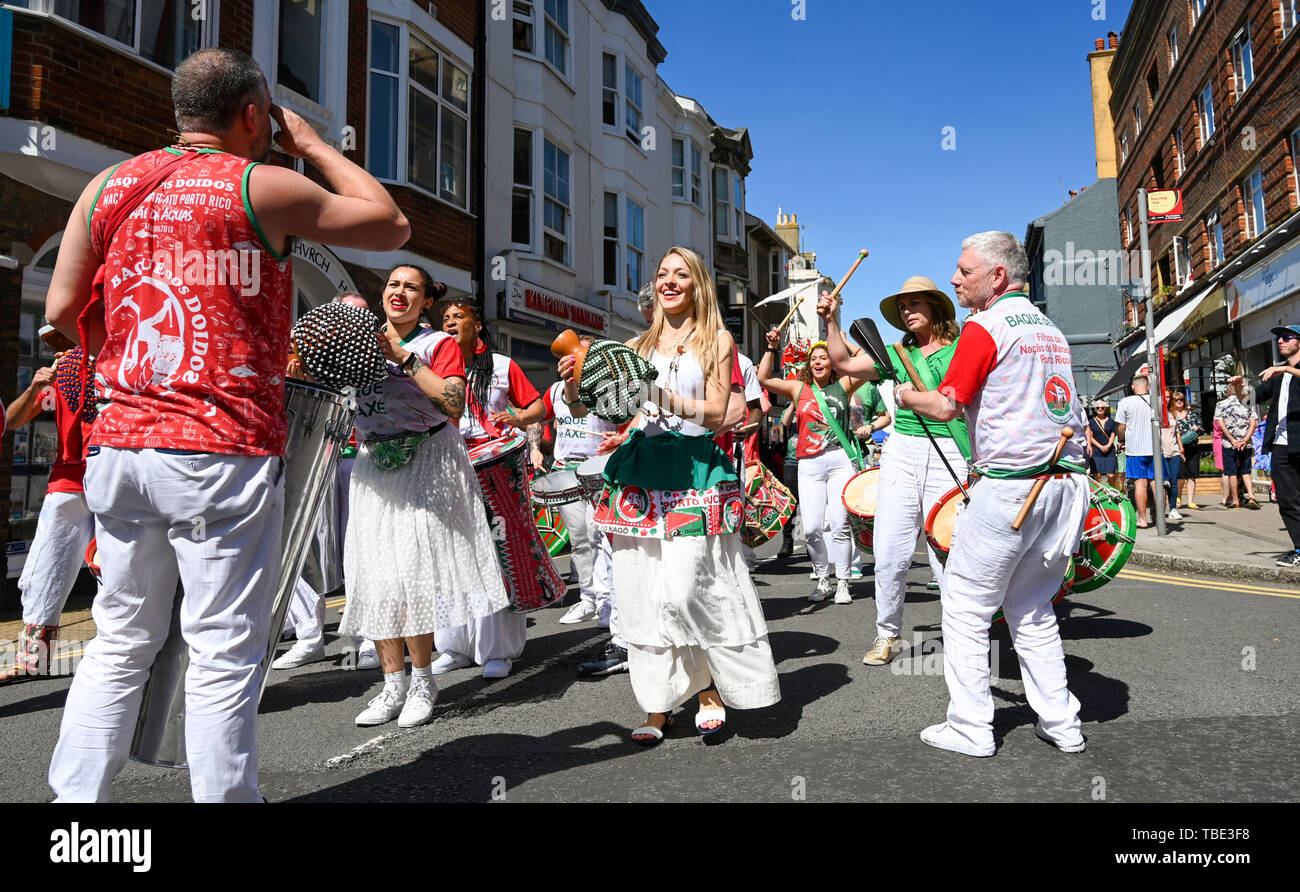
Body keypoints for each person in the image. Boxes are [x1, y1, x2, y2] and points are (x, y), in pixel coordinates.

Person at [43, 48, 410, 801]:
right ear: (253, 115)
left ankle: (73, 809)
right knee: (222, 647)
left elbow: (57, 314)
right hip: (218, 449)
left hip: (120, 444)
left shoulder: (107, 187)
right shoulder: (261, 184)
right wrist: (311, 146)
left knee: (120, 640)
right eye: (268, 119)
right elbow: (390, 223)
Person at [563, 246, 780, 743]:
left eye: (681, 274)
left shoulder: (717, 341)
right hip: (641, 470)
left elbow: (721, 415)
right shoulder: (637, 345)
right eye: (662, 274)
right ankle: (657, 704)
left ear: (698, 284)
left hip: (693, 470)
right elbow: (610, 408)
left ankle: (707, 688)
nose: (669, 281)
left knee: (687, 590)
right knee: (642, 593)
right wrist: (577, 389)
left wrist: (655, 395)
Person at [896, 231, 1088, 757]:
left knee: (962, 606)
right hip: (1063, 486)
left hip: (1011, 487)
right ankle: (1062, 723)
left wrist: (905, 395)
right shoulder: (1049, 329)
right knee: (1031, 607)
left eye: (964, 271)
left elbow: (945, 406)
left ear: (997, 276)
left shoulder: (985, 327)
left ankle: (971, 727)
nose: (955, 279)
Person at [339, 265, 509, 727]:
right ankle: (391, 687)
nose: (399, 292)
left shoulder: (439, 345)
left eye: (410, 287)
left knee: (409, 576)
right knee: (375, 577)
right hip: (374, 465)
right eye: (393, 285)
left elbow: (453, 403)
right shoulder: (356, 341)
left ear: (425, 301)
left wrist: (404, 359)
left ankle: (421, 681)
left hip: (428, 462)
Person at [822, 276, 968, 662]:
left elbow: (953, 403)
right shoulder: (893, 354)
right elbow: (842, 362)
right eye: (903, 307)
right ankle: (888, 634)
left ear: (935, 308)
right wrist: (832, 322)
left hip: (950, 451)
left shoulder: (959, 349)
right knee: (889, 552)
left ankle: (960, 636)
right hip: (902, 451)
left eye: (915, 304)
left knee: (946, 552)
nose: (907, 311)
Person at [434, 299, 549, 679]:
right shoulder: (431, 366)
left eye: (459, 317)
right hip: (447, 467)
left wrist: (520, 424)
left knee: (497, 554)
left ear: (477, 326)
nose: (450, 322)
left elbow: (535, 407)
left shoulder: (503, 367)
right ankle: (455, 645)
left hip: (497, 468)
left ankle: (498, 649)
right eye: (445, 318)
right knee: (450, 555)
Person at [274, 292, 379, 672]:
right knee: (303, 550)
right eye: (349, 314)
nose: (357, 322)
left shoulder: (379, 353)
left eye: (364, 315)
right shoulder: (304, 349)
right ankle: (308, 636)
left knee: (361, 552)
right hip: (316, 458)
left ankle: (368, 638)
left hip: (360, 462)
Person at [758, 333, 872, 604]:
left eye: (824, 358)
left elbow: (870, 362)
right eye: (813, 359)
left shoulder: (845, 384)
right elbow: (764, 379)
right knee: (811, 528)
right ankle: (823, 579)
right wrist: (770, 348)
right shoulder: (798, 389)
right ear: (808, 366)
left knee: (841, 525)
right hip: (808, 463)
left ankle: (843, 581)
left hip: (839, 460)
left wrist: (843, 343)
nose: (818, 362)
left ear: (833, 363)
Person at [2, 351, 96, 681]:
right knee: (46, 567)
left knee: (117, 570)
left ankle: (120, 654)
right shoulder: (65, 369)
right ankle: (34, 658)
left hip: (116, 477)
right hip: (68, 480)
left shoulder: (124, 354)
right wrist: (35, 387)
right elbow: (11, 420)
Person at [1254, 326, 1300, 565]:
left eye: (1286, 337)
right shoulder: (1279, 376)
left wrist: (1285, 368)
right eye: (1278, 338)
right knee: (1286, 498)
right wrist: (1239, 387)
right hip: (1282, 445)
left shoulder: (1286, 371)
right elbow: (1253, 396)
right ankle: (1299, 549)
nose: (1280, 341)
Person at [1115, 375, 1156, 527]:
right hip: (1155, 449)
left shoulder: (1125, 402)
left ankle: (1142, 519)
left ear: (1133, 387)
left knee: (1140, 484)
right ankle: (1160, 519)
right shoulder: (1157, 400)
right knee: (1157, 483)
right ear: (1148, 386)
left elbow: (1121, 426)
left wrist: (1121, 440)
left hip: (1135, 449)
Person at [1213, 377, 1260, 510]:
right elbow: (1253, 423)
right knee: (1246, 471)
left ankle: (1235, 500)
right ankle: (1252, 496)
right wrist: (1244, 440)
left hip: (1229, 443)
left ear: (1228, 392)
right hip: (1245, 443)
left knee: (1231, 472)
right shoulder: (1247, 402)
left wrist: (1232, 439)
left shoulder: (1221, 404)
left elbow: (1220, 424)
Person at [1171, 392, 1203, 510]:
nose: (1179, 402)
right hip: (1177, 449)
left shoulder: (1192, 415)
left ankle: (1191, 501)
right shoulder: (1171, 415)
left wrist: (1197, 429)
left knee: (1192, 475)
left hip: (1192, 448)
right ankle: (1178, 498)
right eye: (1177, 400)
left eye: (1181, 400)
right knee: (1180, 476)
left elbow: (1201, 428)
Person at [1158, 391, 1185, 521]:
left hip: (1174, 451)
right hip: (1161, 452)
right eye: (1164, 397)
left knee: (1173, 481)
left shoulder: (1173, 413)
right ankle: (1159, 509)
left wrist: (1181, 449)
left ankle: (1173, 508)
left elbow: (1177, 433)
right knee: (1164, 482)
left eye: (1168, 397)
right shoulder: (1156, 414)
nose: (1167, 399)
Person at [1086, 400, 1119, 489]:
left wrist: (1108, 445)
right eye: (1098, 408)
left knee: (1111, 475)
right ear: (1095, 410)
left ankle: (1113, 495)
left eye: (1102, 408)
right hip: (1097, 450)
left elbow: (1113, 434)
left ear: (1105, 409)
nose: (1100, 409)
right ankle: (1100, 495)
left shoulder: (1111, 421)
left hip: (1109, 450)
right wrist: (1100, 446)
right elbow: (1090, 436)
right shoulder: (1091, 422)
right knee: (1097, 475)